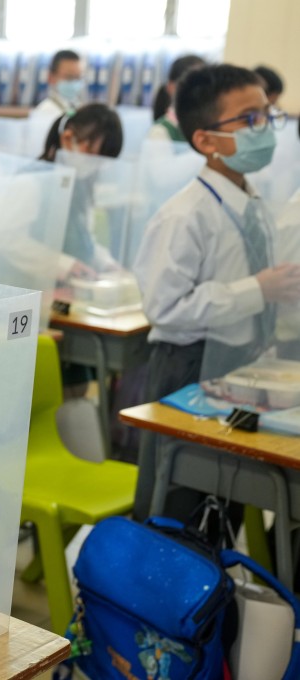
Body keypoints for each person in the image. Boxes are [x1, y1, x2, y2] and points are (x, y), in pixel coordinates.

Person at [133, 64, 299, 521]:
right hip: (188, 366)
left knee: (225, 499)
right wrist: (256, 290)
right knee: (177, 501)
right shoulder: (185, 215)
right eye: (248, 120)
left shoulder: (253, 202)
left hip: (240, 364)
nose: (263, 129)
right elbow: (165, 309)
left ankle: (214, 587)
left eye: (266, 115)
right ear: (205, 141)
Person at [39, 104, 124, 277]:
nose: (95, 166)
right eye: (93, 156)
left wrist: (107, 264)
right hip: (31, 285)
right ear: (68, 138)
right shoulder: (36, 180)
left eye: (101, 161)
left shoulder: (80, 186)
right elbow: (9, 240)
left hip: (66, 284)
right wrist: (64, 265)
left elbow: (85, 240)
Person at [148, 55, 206, 143]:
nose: (199, 92)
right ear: (171, 87)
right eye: (192, 85)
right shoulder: (160, 132)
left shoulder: (207, 127)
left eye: (204, 84)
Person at [33, 50, 83, 119]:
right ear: (51, 77)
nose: (74, 82)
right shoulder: (45, 111)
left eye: (78, 77)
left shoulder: (78, 107)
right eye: (69, 77)